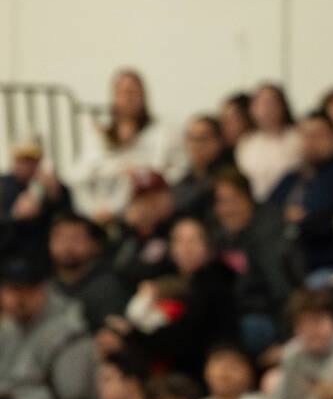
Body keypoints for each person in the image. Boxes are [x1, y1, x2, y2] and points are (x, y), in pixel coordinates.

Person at [126, 216, 240, 378]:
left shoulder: (217, 283)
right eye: (179, 241)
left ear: (208, 246)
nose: (187, 248)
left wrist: (132, 334)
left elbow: (180, 341)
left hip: (203, 370)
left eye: (194, 240)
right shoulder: (167, 281)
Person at [67, 69, 176, 225]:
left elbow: (161, 172)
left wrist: (136, 171)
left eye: (132, 91)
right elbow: (82, 171)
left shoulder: (161, 132)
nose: (128, 97)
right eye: (122, 92)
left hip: (140, 208)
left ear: (143, 96)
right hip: (98, 205)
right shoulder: (99, 134)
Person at [212, 168, 301, 355]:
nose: (228, 209)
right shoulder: (222, 236)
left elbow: (281, 289)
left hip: (265, 316)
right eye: (221, 202)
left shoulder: (268, 234)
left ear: (249, 199)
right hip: (237, 311)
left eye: (234, 200)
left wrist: (285, 341)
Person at [0, 258, 96, 399]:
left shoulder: (69, 331)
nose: (19, 298)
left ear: (44, 288)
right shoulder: (8, 327)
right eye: (12, 290)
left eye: (27, 290)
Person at [271, 108, 333, 274]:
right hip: (283, 259)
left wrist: (297, 218)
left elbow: (324, 219)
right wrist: (284, 215)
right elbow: (267, 209)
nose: (311, 141)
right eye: (306, 135)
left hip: (322, 262)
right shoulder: (292, 176)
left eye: (319, 135)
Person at [48, 214, 127, 330]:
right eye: (60, 238)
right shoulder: (45, 286)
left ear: (96, 244)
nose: (67, 246)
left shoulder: (109, 287)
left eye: (76, 239)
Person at [235, 82, 302, 202]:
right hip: (255, 207)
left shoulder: (298, 138)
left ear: (283, 106)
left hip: (288, 203)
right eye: (261, 103)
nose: (266, 109)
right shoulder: (245, 143)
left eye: (272, 103)